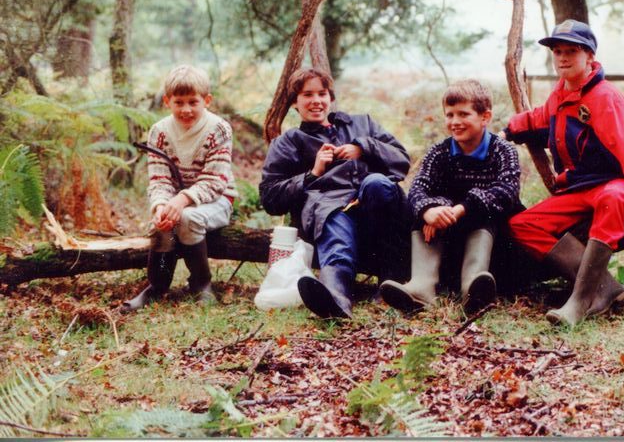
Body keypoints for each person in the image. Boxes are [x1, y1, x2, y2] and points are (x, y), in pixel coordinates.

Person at [502, 20, 624, 326]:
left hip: (610, 182)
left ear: (589, 56)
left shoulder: (606, 98)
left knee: (615, 198)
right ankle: (605, 286)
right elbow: (545, 115)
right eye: (557, 52)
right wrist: (519, 124)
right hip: (578, 185)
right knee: (522, 224)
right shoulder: (561, 92)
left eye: (571, 51)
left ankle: (578, 301)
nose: (563, 58)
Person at [259, 67, 410, 320]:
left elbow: (402, 160)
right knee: (331, 212)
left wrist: (364, 147)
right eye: (307, 95)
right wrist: (313, 174)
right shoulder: (288, 142)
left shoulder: (363, 124)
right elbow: (270, 198)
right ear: (295, 102)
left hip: (375, 212)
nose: (316, 101)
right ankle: (335, 298)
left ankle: (390, 286)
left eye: (322, 93)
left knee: (376, 183)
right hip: (330, 215)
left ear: (330, 97)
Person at [379, 80, 523, 314]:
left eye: (464, 114)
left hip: (494, 244)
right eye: (450, 115)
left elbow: (507, 192)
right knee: (424, 212)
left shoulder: (502, 150)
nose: (455, 122)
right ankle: (422, 287)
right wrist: (431, 210)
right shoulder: (440, 152)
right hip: (449, 239)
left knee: (484, 209)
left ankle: (474, 288)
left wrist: (461, 208)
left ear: (485, 117)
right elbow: (417, 190)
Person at [124, 65, 237, 311]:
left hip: (216, 200)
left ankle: (201, 285)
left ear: (206, 101)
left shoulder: (218, 129)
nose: (186, 109)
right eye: (179, 102)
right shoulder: (159, 132)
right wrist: (161, 205)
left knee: (187, 218)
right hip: (177, 200)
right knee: (163, 220)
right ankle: (156, 285)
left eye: (193, 102)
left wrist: (182, 199)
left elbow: (215, 181)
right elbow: (159, 179)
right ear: (167, 102)